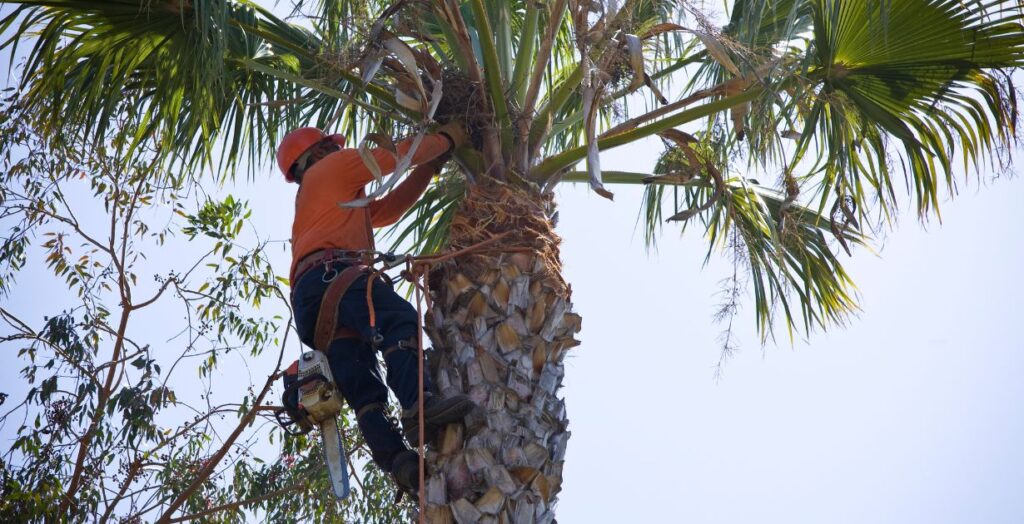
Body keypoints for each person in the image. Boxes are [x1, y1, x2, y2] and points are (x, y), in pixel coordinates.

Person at [279, 123, 474, 494]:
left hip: (312, 302)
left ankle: (397, 461)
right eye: (332, 147)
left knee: (364, 389)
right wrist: (450, 138)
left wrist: (431, 167)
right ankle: (419, 404)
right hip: (332, 276)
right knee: (398, 320)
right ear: (318, 153)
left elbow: (388, 210)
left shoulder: (323, 195)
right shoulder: (331, 169)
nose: (340, 150)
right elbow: (392, 157)